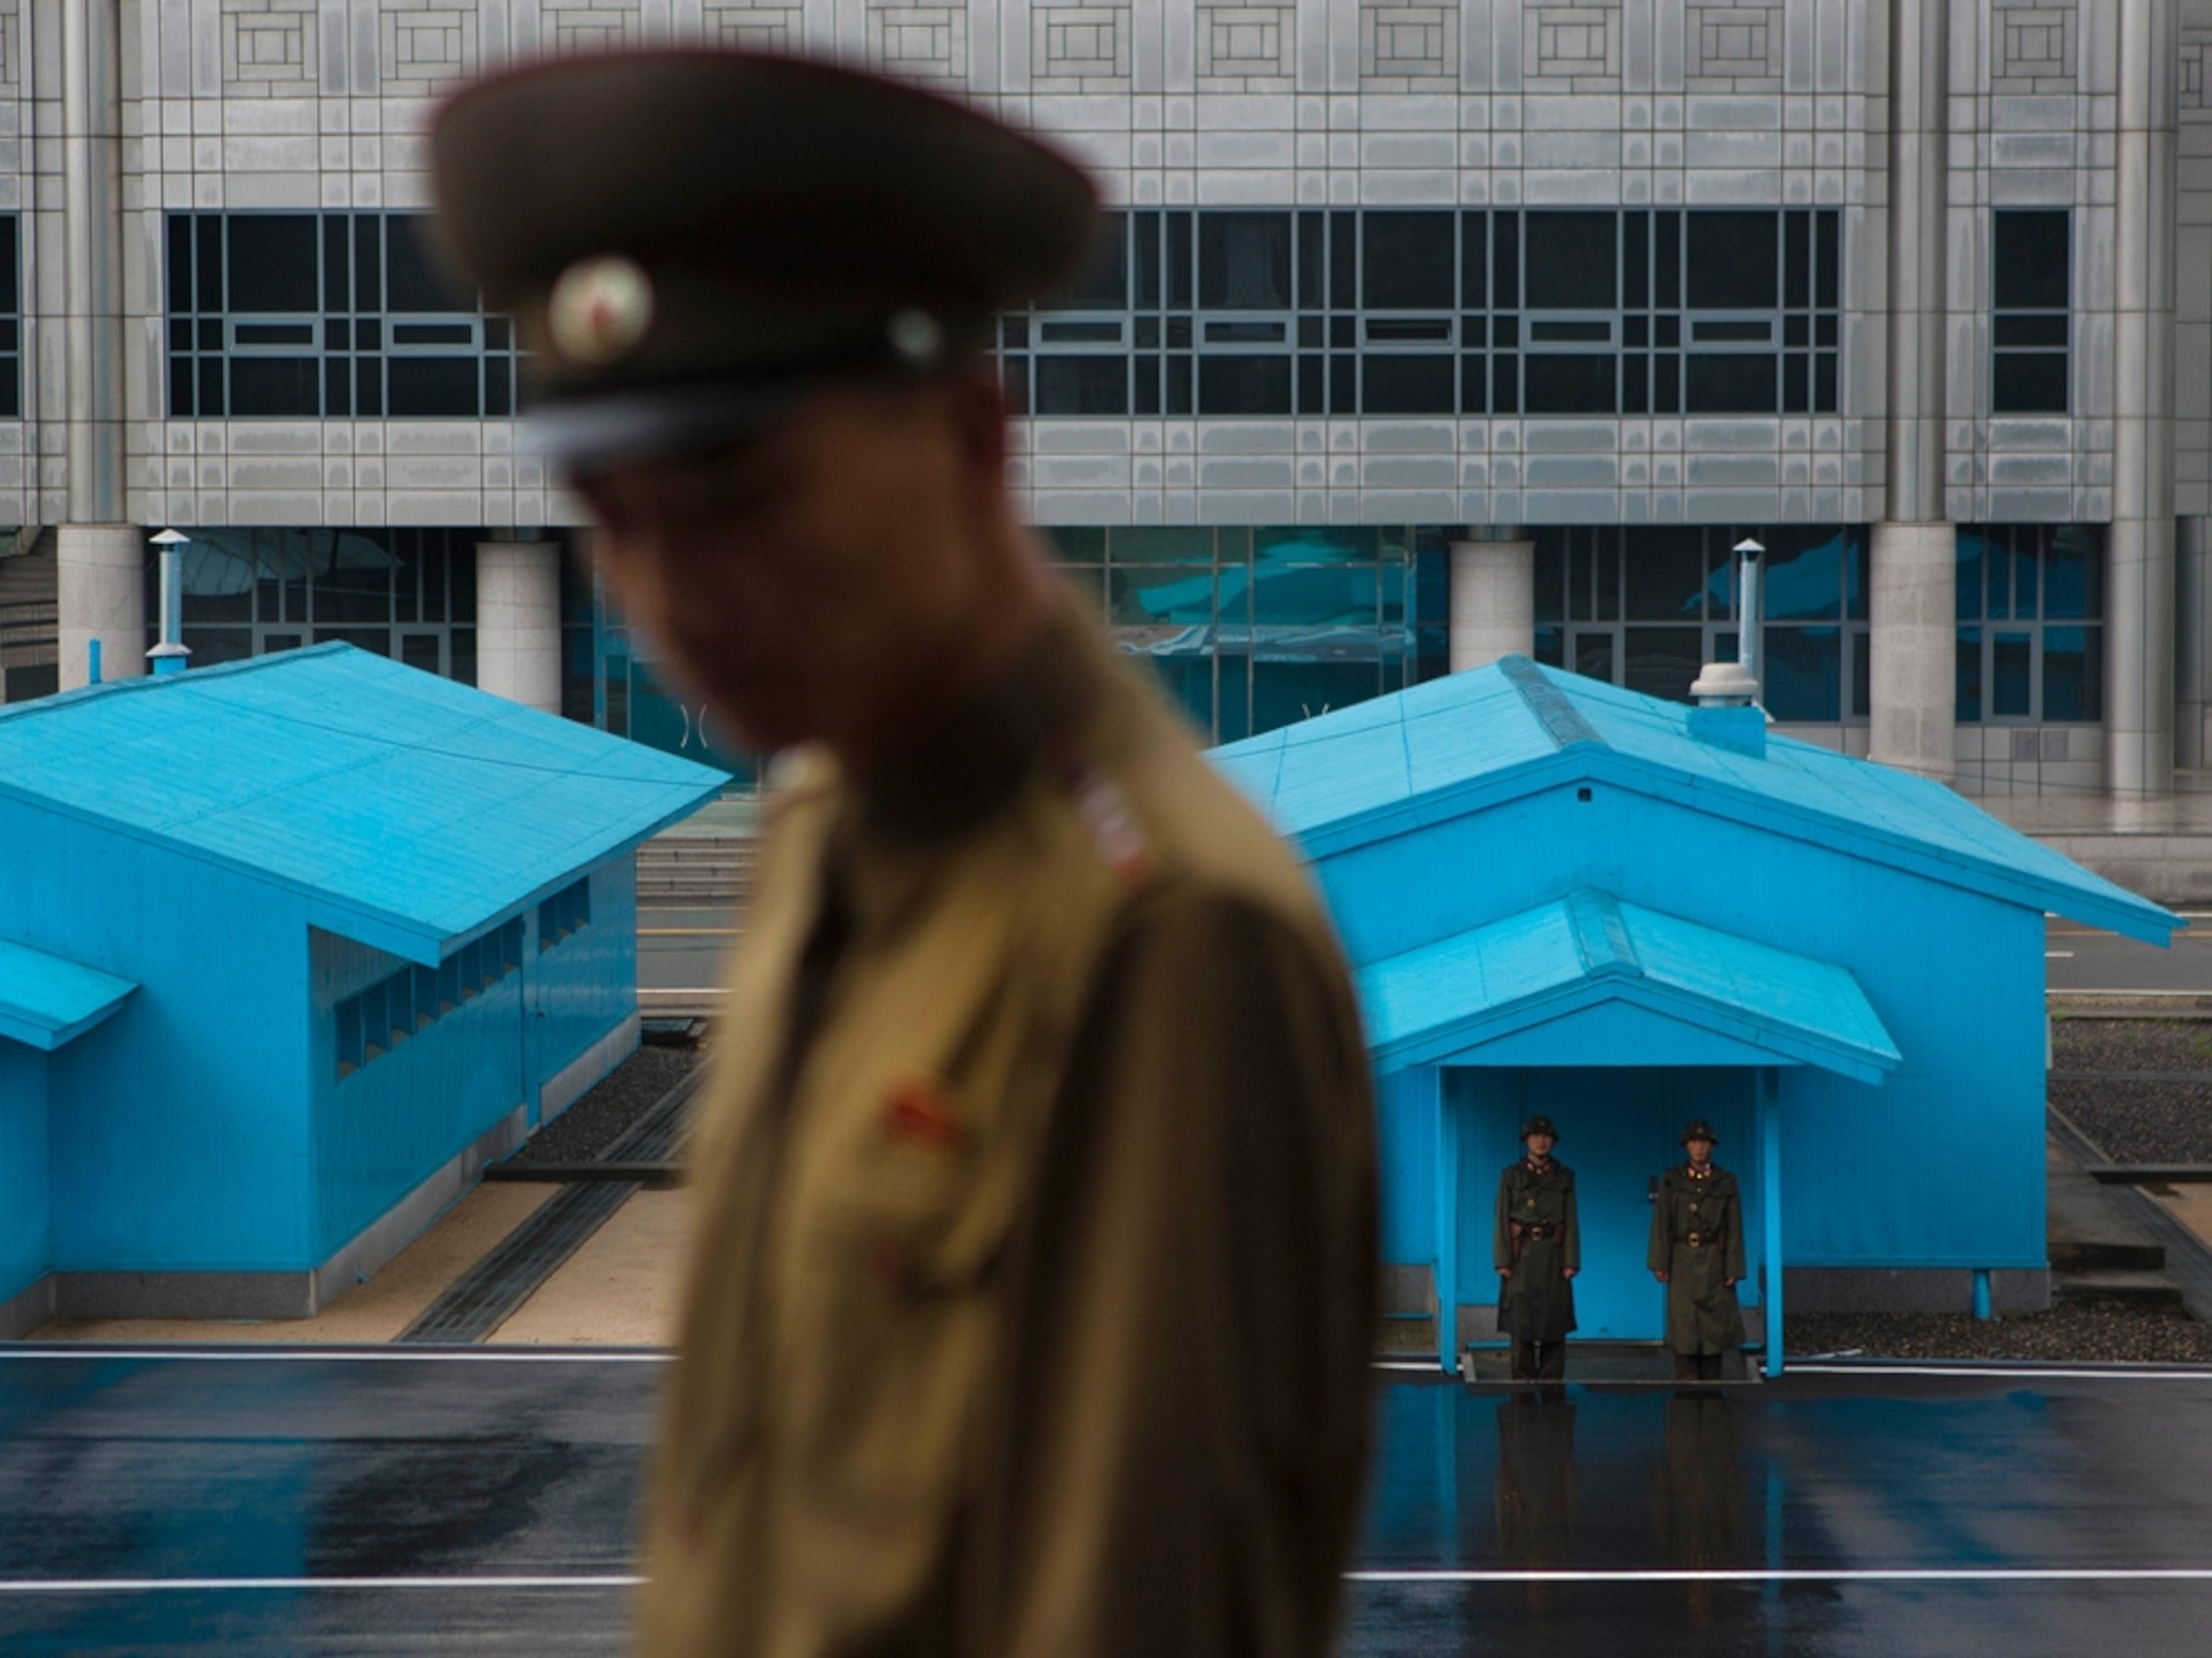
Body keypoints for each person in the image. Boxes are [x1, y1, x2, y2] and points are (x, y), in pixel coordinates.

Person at [429, 48, 1379, 1658]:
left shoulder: (1158, 938)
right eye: (618, 515)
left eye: (741, 496)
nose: (676, 592)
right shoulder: (826, 824)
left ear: (969, 437)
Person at [1648, 1119, 1748, 1383]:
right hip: (1681, 1259)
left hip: (1714, 1258)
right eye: (1694, 1142)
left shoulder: (1725, 1181)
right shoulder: (1672, 1180)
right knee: (1684, 1328)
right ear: (1686, 1146)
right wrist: (1660, 1262)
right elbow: (1661, 1223)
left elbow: (1734, 1226)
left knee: (1714, 1328)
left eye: (1704, 1142)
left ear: (1712, 1146)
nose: (1699, 1148)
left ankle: (1712, 1390)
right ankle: (1686, 1391)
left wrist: (1733, 1267)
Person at [1493, 1115, 1578, 1384]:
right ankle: (1522, 1384)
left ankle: (1553, 1385)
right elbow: (1502, 1219)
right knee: (1522, 1320)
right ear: (1526, 1141)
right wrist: (1503, 1260)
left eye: (1546, 1137)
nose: (1541, 1142)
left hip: (1553, 1254)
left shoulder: (1564, 1177)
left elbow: (1572, 1221)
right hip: (1522, 1256)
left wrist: (1571, 1261)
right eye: (1535, 1136)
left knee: (1554, 1320)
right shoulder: (1512, 1176)